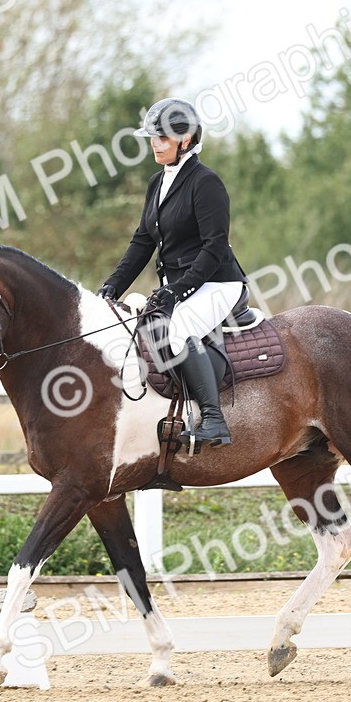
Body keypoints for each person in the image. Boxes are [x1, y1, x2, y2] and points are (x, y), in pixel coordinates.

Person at [96, 97, 247, 451]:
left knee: (176, 332)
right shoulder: (157, 183)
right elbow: (143, 241)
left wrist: (177, 289)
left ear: (187, 140)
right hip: (181, 286)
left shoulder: (206, 183)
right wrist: (112, 285)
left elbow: (214, 246)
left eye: (162, 137)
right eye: (152, 137)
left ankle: (214, 420)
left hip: (216, 283)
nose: (154, 143)